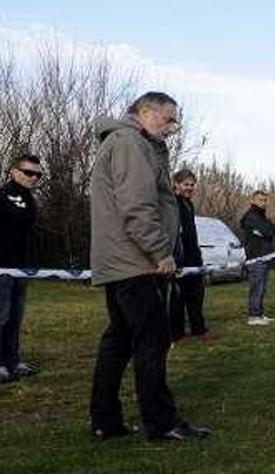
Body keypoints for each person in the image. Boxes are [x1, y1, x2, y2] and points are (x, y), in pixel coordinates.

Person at [89, 91, 210, 441]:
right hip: (135, 262)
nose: (173, 126)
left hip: (121, 260)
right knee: (152, 341)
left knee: (119, 341)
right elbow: (138, 207)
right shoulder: (130, 143)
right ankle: (161, 422)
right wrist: (161, 252)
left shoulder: (130, 143)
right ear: (144, 111)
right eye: (167, 118)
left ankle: (105, 420)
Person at [0, 154, 42, 384]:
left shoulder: (31, 199)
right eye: (28, 173)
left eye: (38, 174)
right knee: (1, 316)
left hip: (23, 268)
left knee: (16, 317)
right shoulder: (3, 196)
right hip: (3, 268)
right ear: (14, 172)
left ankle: (13, 360)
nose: (34, 178)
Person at [169, 169, 215, 343]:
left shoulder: (189, 204)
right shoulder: (172, 203)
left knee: (197, 294)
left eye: (192, 184)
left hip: (194, 256)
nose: (189, 187)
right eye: (185, 184)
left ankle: (199, 329)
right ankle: (177, 333)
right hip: (179, 257)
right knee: (178, 297)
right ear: (176, 183)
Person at [240, 190, 275, 326]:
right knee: (257, 287)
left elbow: (273, 231)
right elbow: (268, 232)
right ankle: (253, 315)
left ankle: (260, 313)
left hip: (265, 255)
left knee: (263, 288)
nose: (263, 203)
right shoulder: (250, 217)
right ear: (253, 200)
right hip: (255, 257)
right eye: (260, 200)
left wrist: (266, 231)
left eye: (265, 200)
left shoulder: (263, 217)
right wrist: (266, 232)